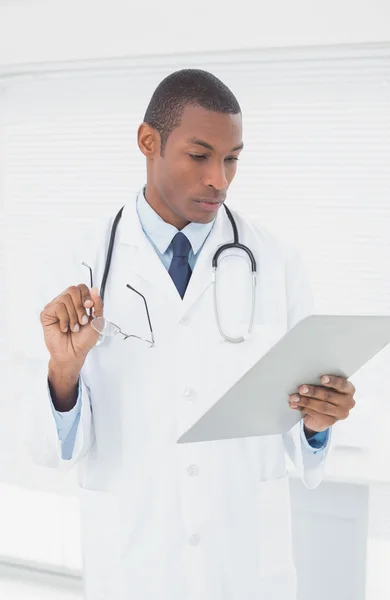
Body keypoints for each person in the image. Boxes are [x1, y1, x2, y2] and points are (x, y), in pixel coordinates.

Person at [33, 69, 356, 600]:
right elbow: (48, 446)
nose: (220, 179)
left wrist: (318, 423)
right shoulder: (77, 262)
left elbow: (303, 430)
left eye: (232, 159)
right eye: (200, 155)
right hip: (135, 561)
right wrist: (64, 370)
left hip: (246, 564)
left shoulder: (276, 262)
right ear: (148, 142)